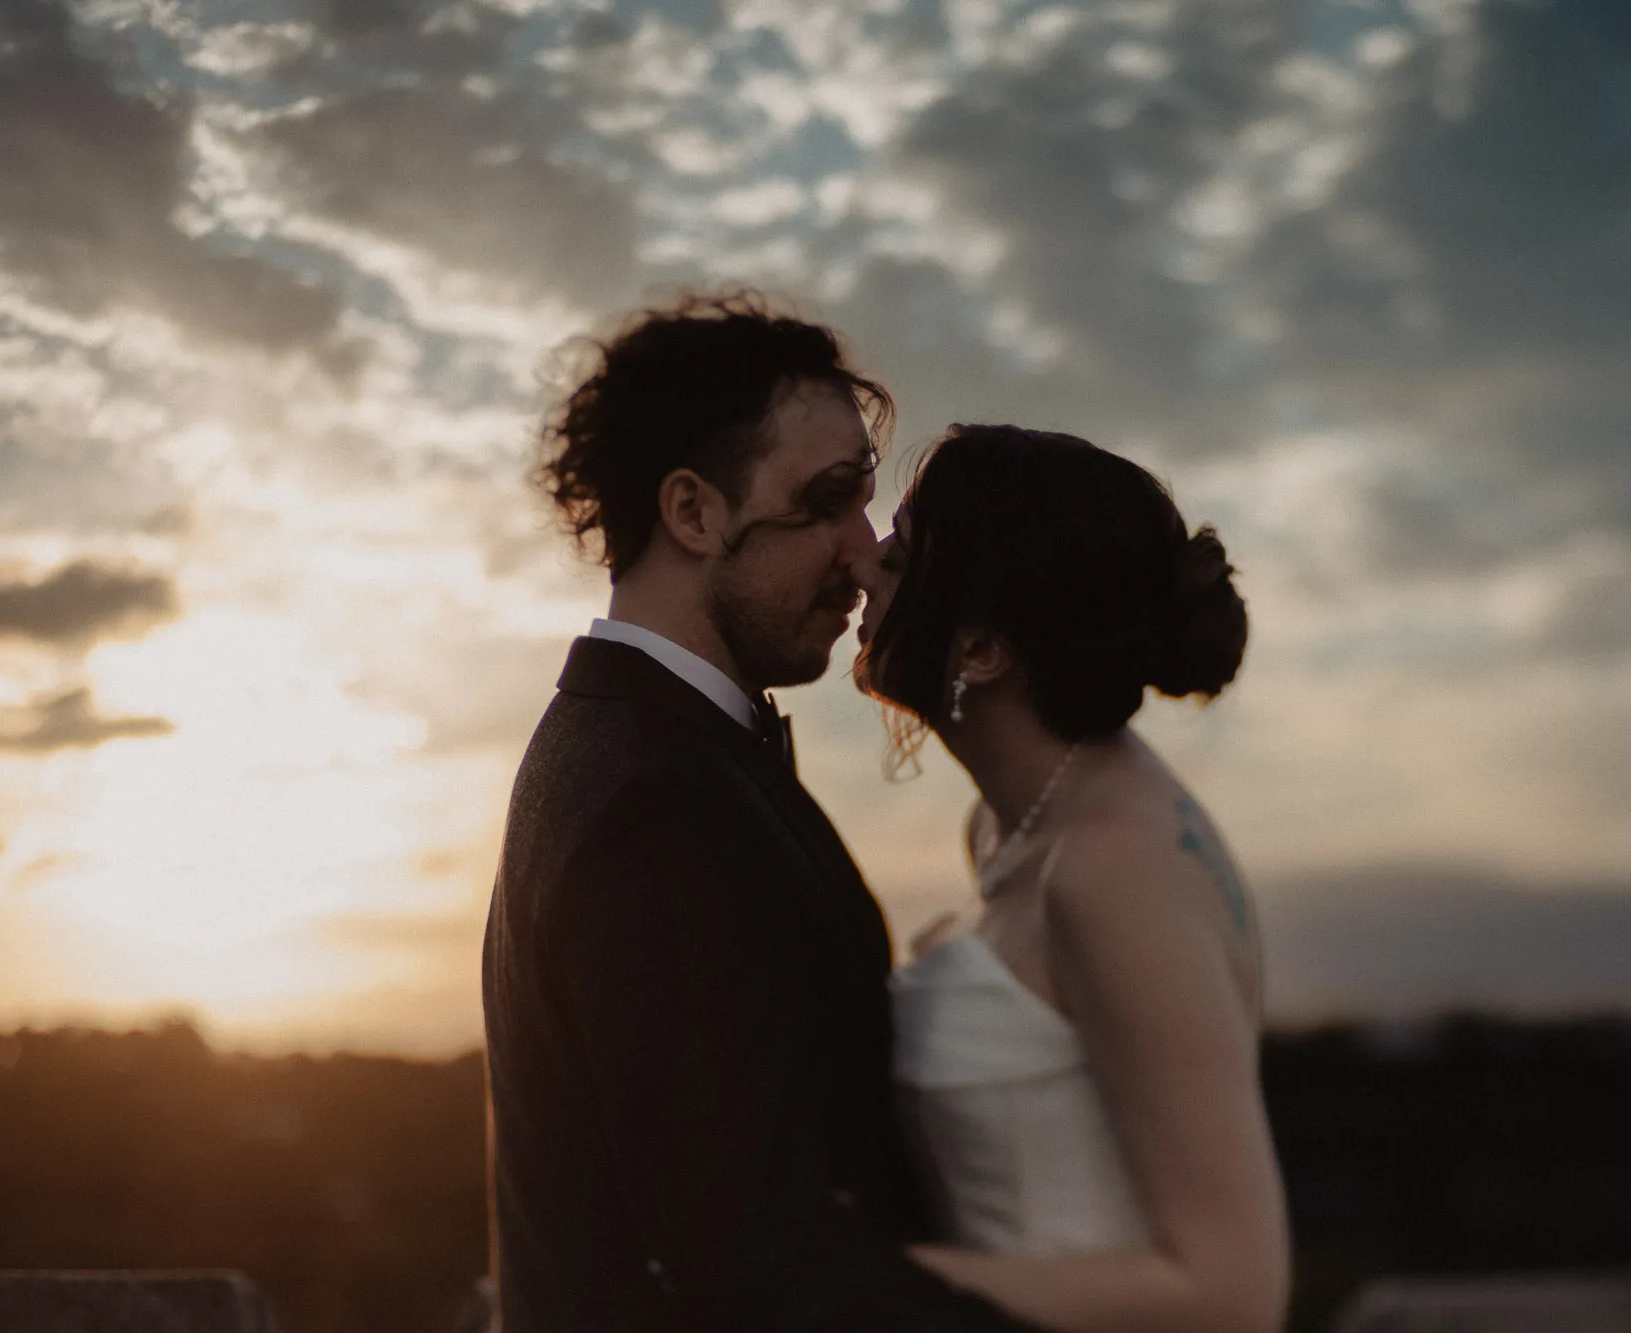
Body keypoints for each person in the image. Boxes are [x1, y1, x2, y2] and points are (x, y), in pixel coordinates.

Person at [481, 295, 1037, 1333]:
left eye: (864, 502)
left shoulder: (658, 751)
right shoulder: (652, 807)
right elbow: (749, 1265)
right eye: (825, 502)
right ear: (692, 514)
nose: (864, 551)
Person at [852, 424, 1293, 1333]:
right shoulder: (1011, 824)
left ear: (980, 650)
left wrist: (853, 1280)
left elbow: (1232, 1292)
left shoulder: (1113, 869)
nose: (865, 563)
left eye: (901, 551)